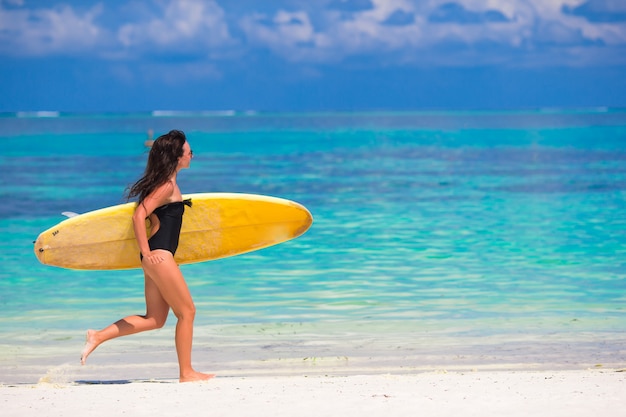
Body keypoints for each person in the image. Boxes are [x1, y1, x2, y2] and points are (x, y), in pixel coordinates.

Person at [80, 129, 214, 383]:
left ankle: (98, 335)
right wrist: (147, 252)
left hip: (156, 257)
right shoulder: (166, 185)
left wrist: (148, 255)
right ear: (177, 156)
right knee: (187, 312)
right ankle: (186, 373)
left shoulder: (163, 183)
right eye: (189, 151)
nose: (192, 155)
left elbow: (156, 221)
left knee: (154, 319)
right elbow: (138, 215)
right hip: (160, 256)